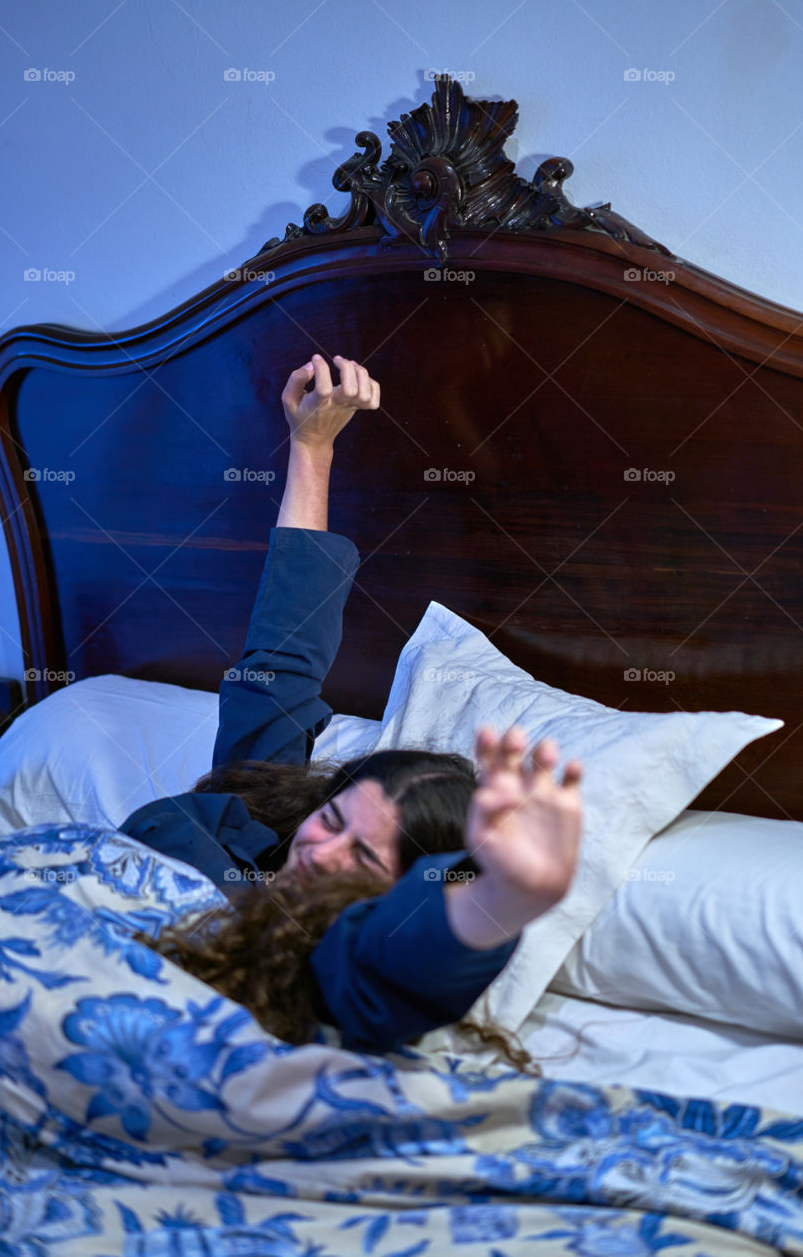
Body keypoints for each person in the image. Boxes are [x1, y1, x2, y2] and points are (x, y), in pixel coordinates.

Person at [123, 353, 583, 1054]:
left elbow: (425, 950)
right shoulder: (256, 821)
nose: (319, 852)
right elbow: (280, 662)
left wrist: (498, 892)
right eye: (331, 818)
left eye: (363, 857)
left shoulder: (337, 972)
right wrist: (310, 448)